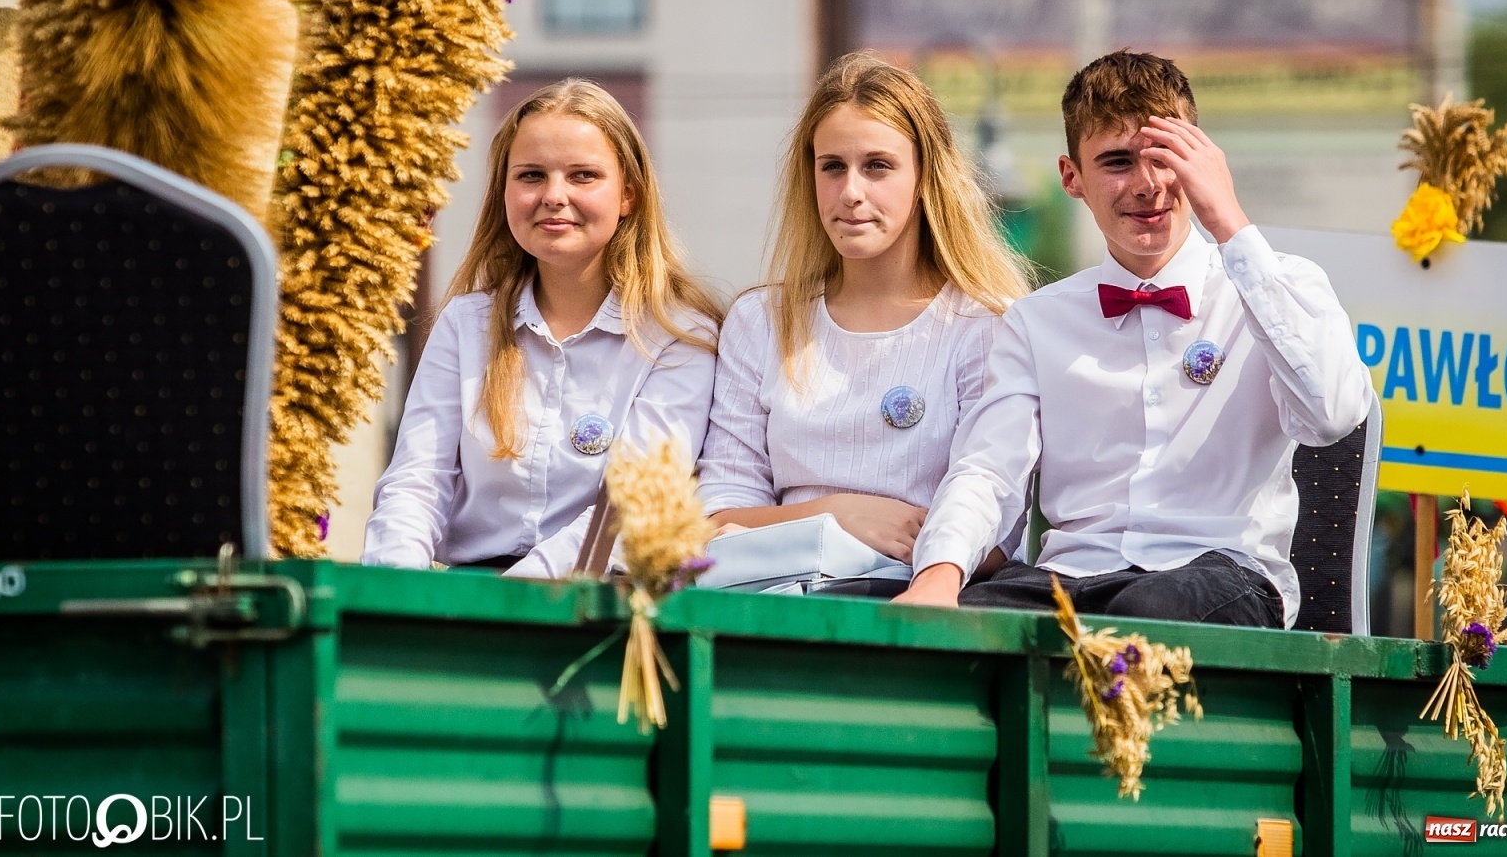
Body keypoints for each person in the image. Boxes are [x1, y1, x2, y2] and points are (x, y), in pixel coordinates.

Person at [896, 50, 1373, 627]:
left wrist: (1228, 221)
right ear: (1071, 177)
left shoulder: (1283, 284)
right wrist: (938, 576)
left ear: (1202, 160)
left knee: (1149, 609)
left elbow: (1332, 415)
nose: (1147, 185)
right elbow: (988, 470)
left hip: (1222, 571)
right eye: (1118, 162)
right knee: (969, 621)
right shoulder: (1035, 321)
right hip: (1071, 577)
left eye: (1165, 158)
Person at [361, 79, 722, 576]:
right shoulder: (466, 324)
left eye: (583, 176)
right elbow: (415, 484)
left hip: (593, 600)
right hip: (466, 594)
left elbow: (629, 509)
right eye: (531, 175)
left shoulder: (678, 337)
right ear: (504, 192)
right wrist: (395, 594)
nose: (554, 196)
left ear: (628, 195)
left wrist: (512, 602)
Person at [695, 53, 1031, 583]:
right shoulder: (759, 320)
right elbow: (718, 515)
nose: (851, 192)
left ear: (925, 176)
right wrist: (835, 518)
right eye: (832, 166)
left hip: (915, 601)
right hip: (768, 600)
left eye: (877, 166)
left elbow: (997, 538)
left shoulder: (987, 325)